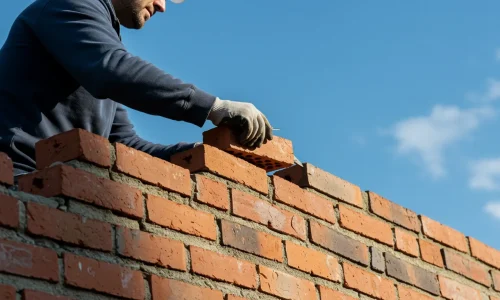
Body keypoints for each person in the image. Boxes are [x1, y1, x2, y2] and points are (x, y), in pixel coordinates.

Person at [0, 0, 273, 177]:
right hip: (17, 179)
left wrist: (205, 154)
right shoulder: (67, 6)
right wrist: (214, 107)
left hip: (60, 188)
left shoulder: (97, 49)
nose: (162, 5)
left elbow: (125, 144)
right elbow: (114, 70)